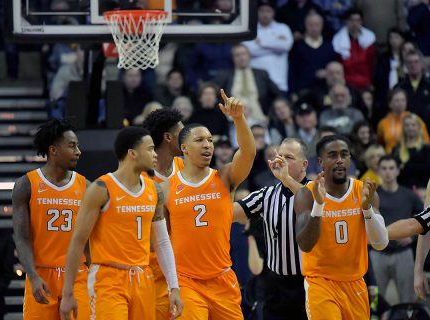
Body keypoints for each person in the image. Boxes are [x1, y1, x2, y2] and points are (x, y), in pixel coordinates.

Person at [59, 126, 183, 320]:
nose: (155, 154)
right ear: (132, 153)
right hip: (108, 279)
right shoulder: (101, 188)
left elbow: (162, 242)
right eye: (149, 149)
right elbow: (77, 241)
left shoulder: (155, 190)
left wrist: (174, 286)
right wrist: (67, 293)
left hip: (143, 278)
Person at [161, 89, 256, 319]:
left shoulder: (224, 177)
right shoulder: (166, 187)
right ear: (184, 148)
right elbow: (161, 238)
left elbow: (248, 153)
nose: (208, 145)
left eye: (211, 140)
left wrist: (238, 118)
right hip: (186, 281)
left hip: (222, 278)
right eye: (200, 140)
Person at [295, 134, 389, 319]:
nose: (339, 160)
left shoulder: (364, 191)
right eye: (332, 155)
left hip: (355, 283)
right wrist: (319, 206)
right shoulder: (306, 194)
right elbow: (305, 244)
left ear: (350, 159)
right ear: (321, 161)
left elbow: (381, 243)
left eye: (344, 155)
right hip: (321, 282)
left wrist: (367, 209)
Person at [12, 119, 90, 319]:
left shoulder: (85, 185)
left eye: (78, 146)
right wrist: (32, 275)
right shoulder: (26, 184)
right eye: (72, 146)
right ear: (53, 150)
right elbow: (21, 237)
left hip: (76, 274)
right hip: (41, 273)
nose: (78, 151)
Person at [233, 138, 310, 319]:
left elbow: (312, 203)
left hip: (309, 283)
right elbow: (228, 213)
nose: (281, 161)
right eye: (279, 156)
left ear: (304, 164)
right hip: (275, 284)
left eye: (289, 157)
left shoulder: (316, 189)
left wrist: (286, 179)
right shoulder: (266, 194)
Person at [142, 109, 185, 320]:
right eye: (182, 133)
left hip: (187, 266)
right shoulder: (141, 177)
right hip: (152, 266)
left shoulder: (187, 168)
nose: (187, 139)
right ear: (168, 137)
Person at [370, 155, 423, 303]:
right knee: (374, 299)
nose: (388, 172)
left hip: (403, 253)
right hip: (377, 254)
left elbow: (425, 221)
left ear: (398, 170)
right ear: (378, 171)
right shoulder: (373, 196)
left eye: (391, 168)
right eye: (384, 168)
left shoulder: (409, 196)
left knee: (408, 300)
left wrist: (412, 237)